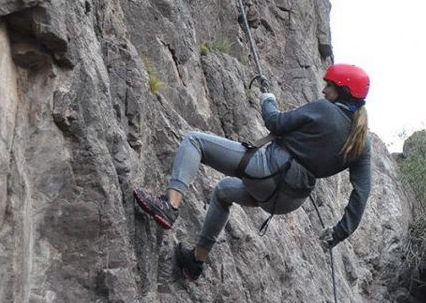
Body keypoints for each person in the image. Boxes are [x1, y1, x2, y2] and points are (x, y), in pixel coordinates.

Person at [133, 63, 372, 281]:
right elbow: (361, 193)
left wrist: (267, 100)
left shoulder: (325, 110)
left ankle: (169, 206)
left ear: (343, 90)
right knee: (224, 191)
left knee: (194, 142)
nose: (324, 91)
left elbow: (275, 123)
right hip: (285, 200)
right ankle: (195, 262)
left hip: (268, 171)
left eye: (329, 86)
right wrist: (337, 234)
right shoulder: (361, 142)